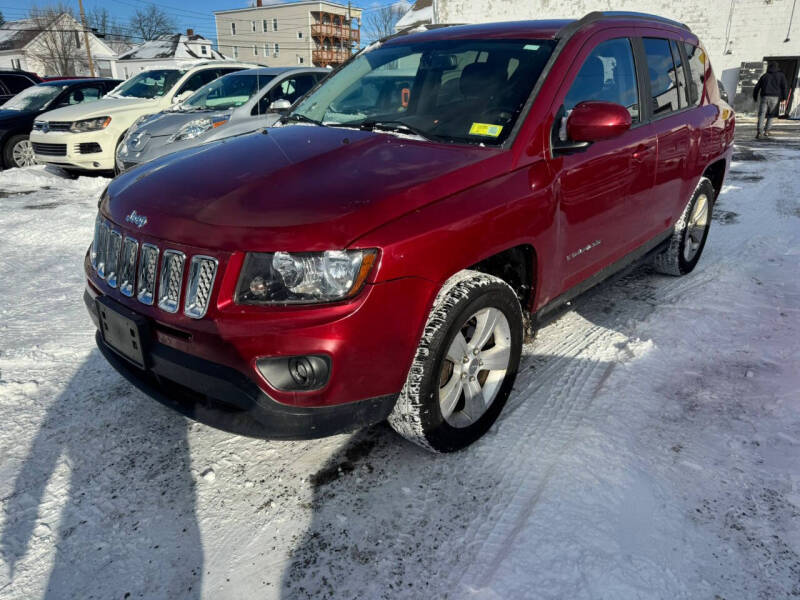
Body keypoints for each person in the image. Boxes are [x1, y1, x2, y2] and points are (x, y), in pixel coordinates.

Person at [753, 62, 788, 139]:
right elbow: (784, 87)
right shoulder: (781, 76)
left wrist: (755, 97)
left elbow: (757, 87)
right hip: (775, 98)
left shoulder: (764, 76)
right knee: (771, 114)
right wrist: (784, 98)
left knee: (762, 114)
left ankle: (759, 131)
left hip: (764, 97)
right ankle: (767, 131)